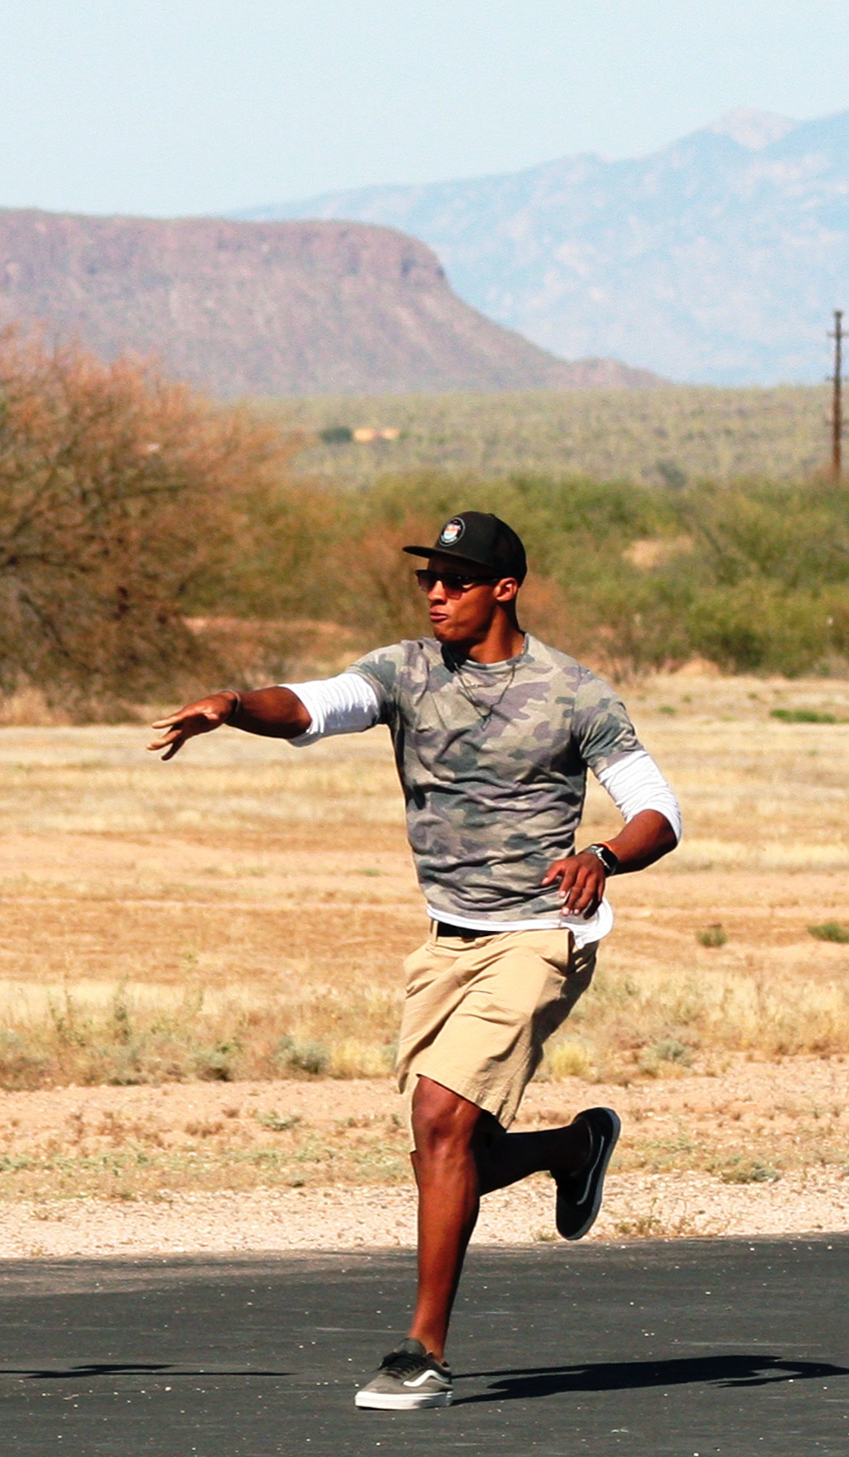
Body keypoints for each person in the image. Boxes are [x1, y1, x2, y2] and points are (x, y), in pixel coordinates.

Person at [145, 511, 683, 1411]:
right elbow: (316, 704)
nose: (437, 592)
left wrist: (604, 856)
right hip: (446, 939)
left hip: (542, 935)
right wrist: (237, 708)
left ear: (503, 588)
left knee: (439, 1119)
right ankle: (573, 1145)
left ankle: (422, 1352)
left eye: (457, 579)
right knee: (447, 1144)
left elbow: (658, 809)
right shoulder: (403, 670)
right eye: (429, 578)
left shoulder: (574, 693)